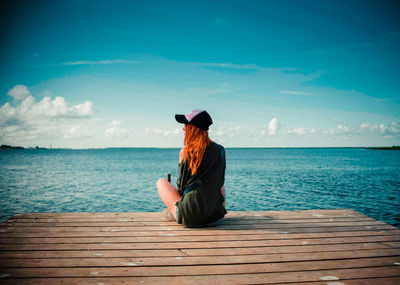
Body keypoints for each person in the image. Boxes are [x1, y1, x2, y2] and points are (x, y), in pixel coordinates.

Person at [156, 109, 227, 227]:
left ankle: (177, 213)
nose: (183, 128)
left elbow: (182, 187)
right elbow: (220, 183)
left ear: (195, 128)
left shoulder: (185, 152)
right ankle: (205, 213)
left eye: (186, 125)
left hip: (191, 218)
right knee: (220, 184)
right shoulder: (221, 150)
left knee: (161, 182)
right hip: (215, 217)